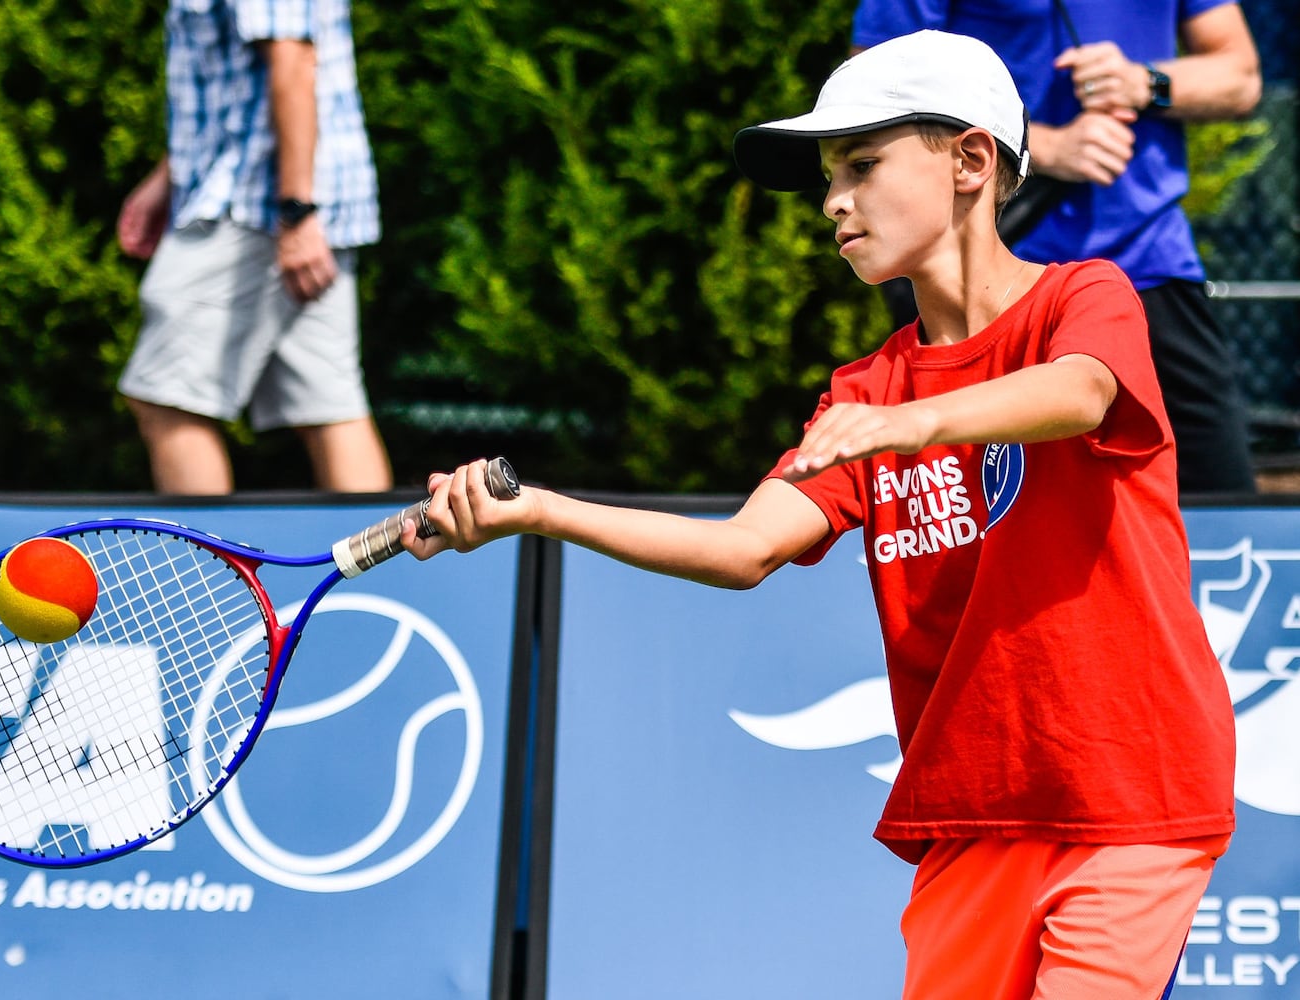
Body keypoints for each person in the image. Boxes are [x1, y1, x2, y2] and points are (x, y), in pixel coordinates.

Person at [403, 32, 1236, 1000]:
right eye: (827, 176)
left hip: (1130, 796)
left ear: (970, 161)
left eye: (863, 164)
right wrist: (540, 510)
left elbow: (1082, 393)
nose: (834, 200)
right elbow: (742, 546)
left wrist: (913, 422)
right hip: (969, 816)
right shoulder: (862, 392)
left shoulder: (1077, 299)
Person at [852, 0, 1263, 497]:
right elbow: (871, 95)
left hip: (1151, 264)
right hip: (998, 280)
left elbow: (1240, 75)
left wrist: (1144, 83)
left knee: (1224, 505)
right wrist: (1038, 146)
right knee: (980, 518)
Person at [115, 0, 393, 495]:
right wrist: (169, 178)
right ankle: (378, 575)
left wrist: (297, 213)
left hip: (255, 206)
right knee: (329, 408)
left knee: (166, 400)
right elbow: (238, 89)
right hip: (276, 198)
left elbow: (293, 62)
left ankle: (204, 572)